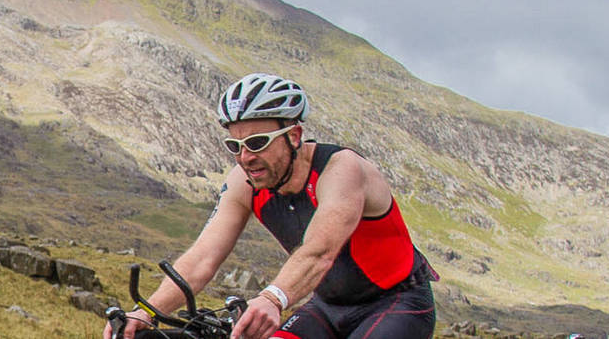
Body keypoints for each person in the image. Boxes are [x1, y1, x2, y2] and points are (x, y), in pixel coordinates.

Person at [107, 73, 436, 339]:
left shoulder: (341, 170)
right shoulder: (244, 181)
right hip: (326, 307)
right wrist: (146, 311)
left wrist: (271, 298)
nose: (245, 157)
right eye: (234, 146)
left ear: (294, 136)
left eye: (257, 143)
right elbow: (203, 258)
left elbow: (319, 252)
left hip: (396, 303)